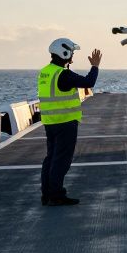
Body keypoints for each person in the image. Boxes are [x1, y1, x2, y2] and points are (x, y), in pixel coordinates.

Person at [37, 38, 101, 206]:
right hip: (65, 123)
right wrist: (95, 66)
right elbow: (89, 82)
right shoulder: (63, 74)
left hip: (50, 122)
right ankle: (56, 195)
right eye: (71, 52)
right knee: (61, 160)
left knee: (50, 158)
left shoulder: (45, 72)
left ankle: (47, 194)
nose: (72, 55)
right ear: (64, 53)